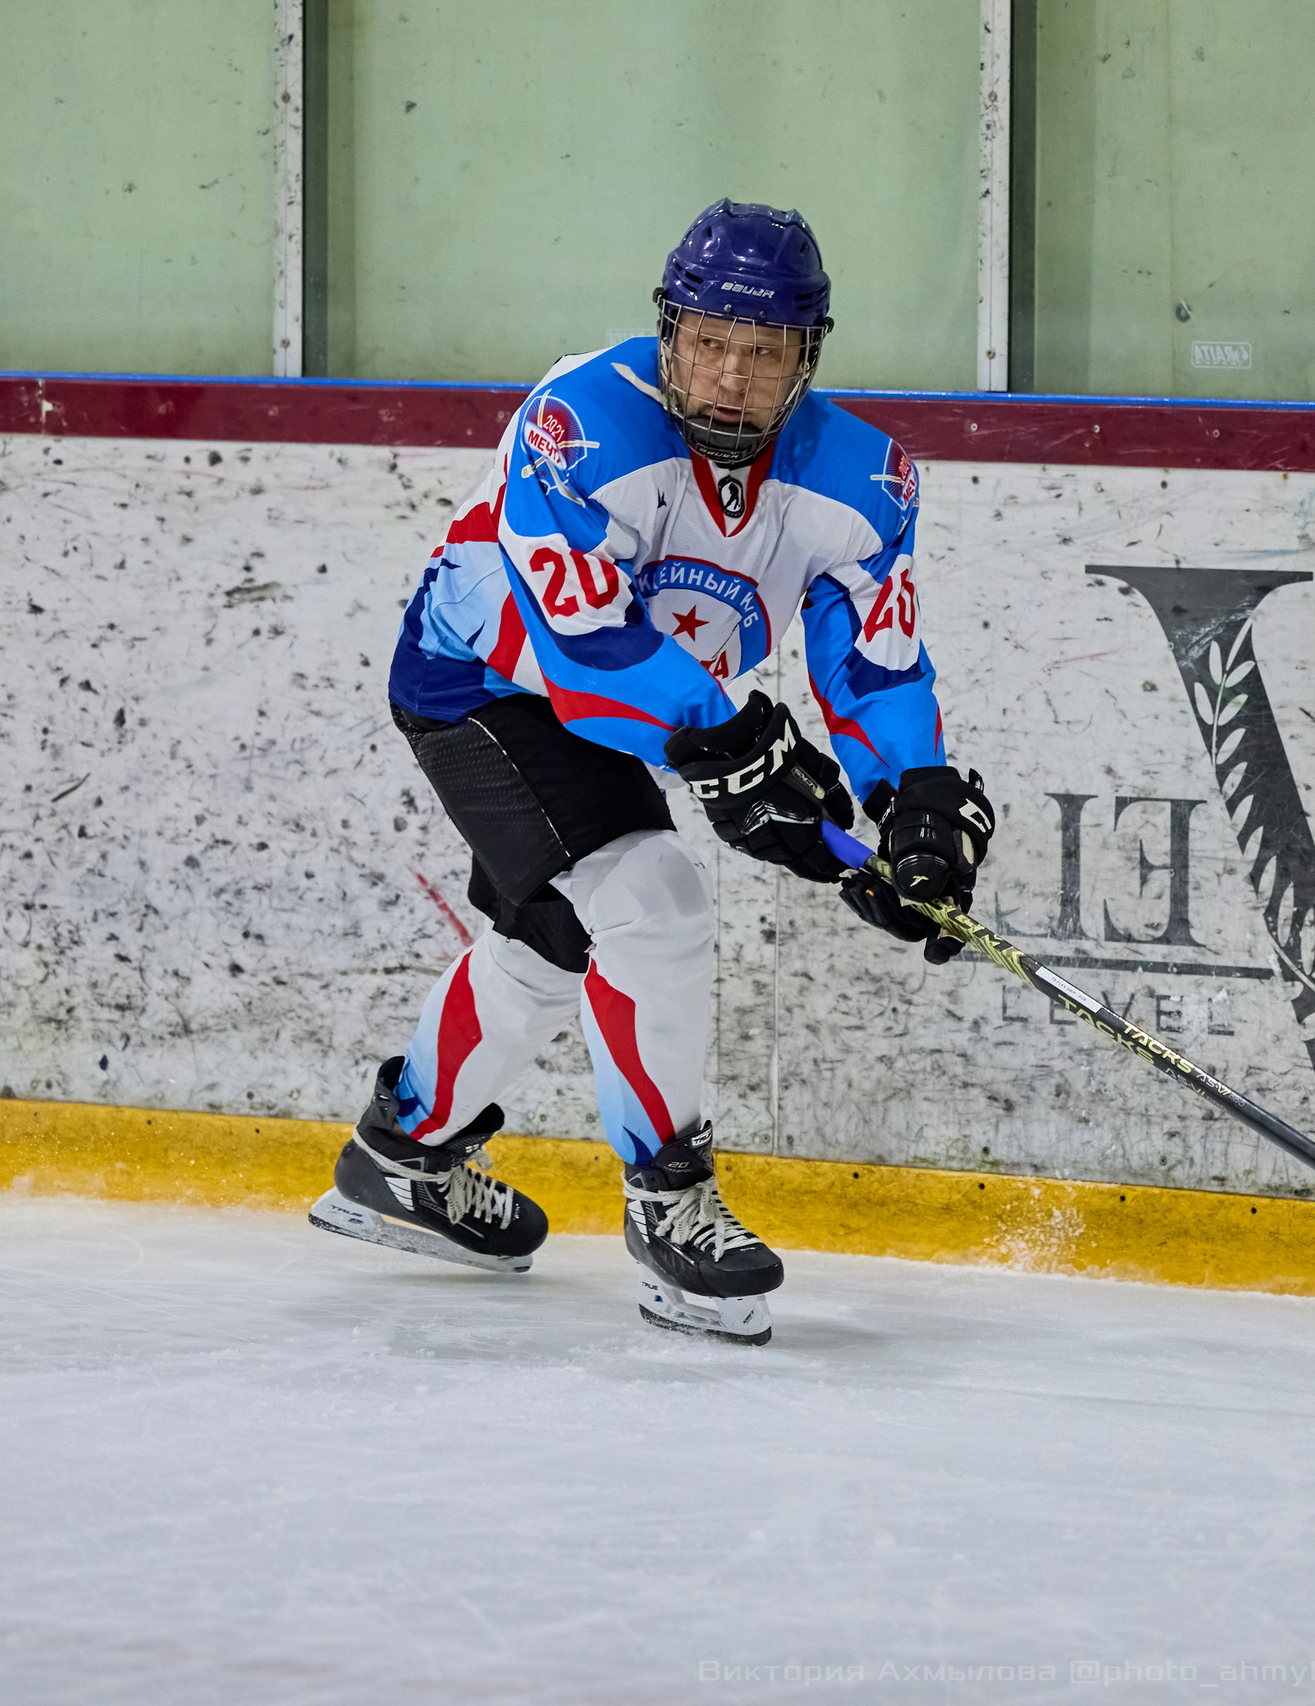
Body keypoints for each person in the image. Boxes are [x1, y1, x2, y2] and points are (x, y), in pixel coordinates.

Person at [307, 200, 992, 1345]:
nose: (730, 376)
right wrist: (737, 744)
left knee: (550, 937)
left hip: (643, 709)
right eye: (709, 341)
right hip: (485, 678)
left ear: (808, 357)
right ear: (669, 331)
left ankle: (402, 1152)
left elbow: (870, 663)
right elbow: (583, 648)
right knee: (653, 902)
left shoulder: (865, 481)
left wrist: (911, 798)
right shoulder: (580, 423)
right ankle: (670, 1201)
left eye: (764, 351)